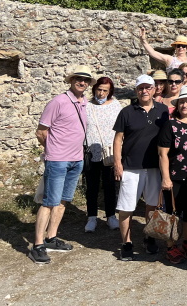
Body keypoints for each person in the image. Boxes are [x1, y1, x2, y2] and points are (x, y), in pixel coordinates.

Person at [29, 65, 93, 264]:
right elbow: (41, 132)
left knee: (63, 201)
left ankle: (51, 238)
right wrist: (53, 150)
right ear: (71, 80)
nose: (82, 82)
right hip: (58, 160)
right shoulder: (58, 101)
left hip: (76, 159)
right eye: (78, 78)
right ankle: (37, 245)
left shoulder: (84, 103)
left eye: (86, 80)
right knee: (49, 202)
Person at [113, 74, 169, 261]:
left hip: (154, 167)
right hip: (131, 167)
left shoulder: (163, 110)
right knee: (126, 207)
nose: (144, 91)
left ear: (154, 90)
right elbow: (118, 139)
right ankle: (126, 243)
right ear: (136, 90)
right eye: (140, 88)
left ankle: (149, 237)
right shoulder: (127, 112)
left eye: (148, 87)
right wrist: (118, 163)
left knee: (152, 205)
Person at [158, 87, 187, 264]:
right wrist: (165, 178)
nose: (185, 105)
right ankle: (171, 246)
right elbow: (162, 154)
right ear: (177, 105)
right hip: (174, 176)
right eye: (182, 102)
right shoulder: (170, 125)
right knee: (172, 213)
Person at [84, 76, 122, 233]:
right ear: (94, 89)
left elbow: (121, 128)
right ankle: (91, 217)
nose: (101, 93)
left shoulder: (115, 106)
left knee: (110, 185)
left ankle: (111, 216)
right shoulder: (87, 106)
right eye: (99, 89)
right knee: (91, 186)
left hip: (110, 152)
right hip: (91, 152)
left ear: (110, 91)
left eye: (105, 91)